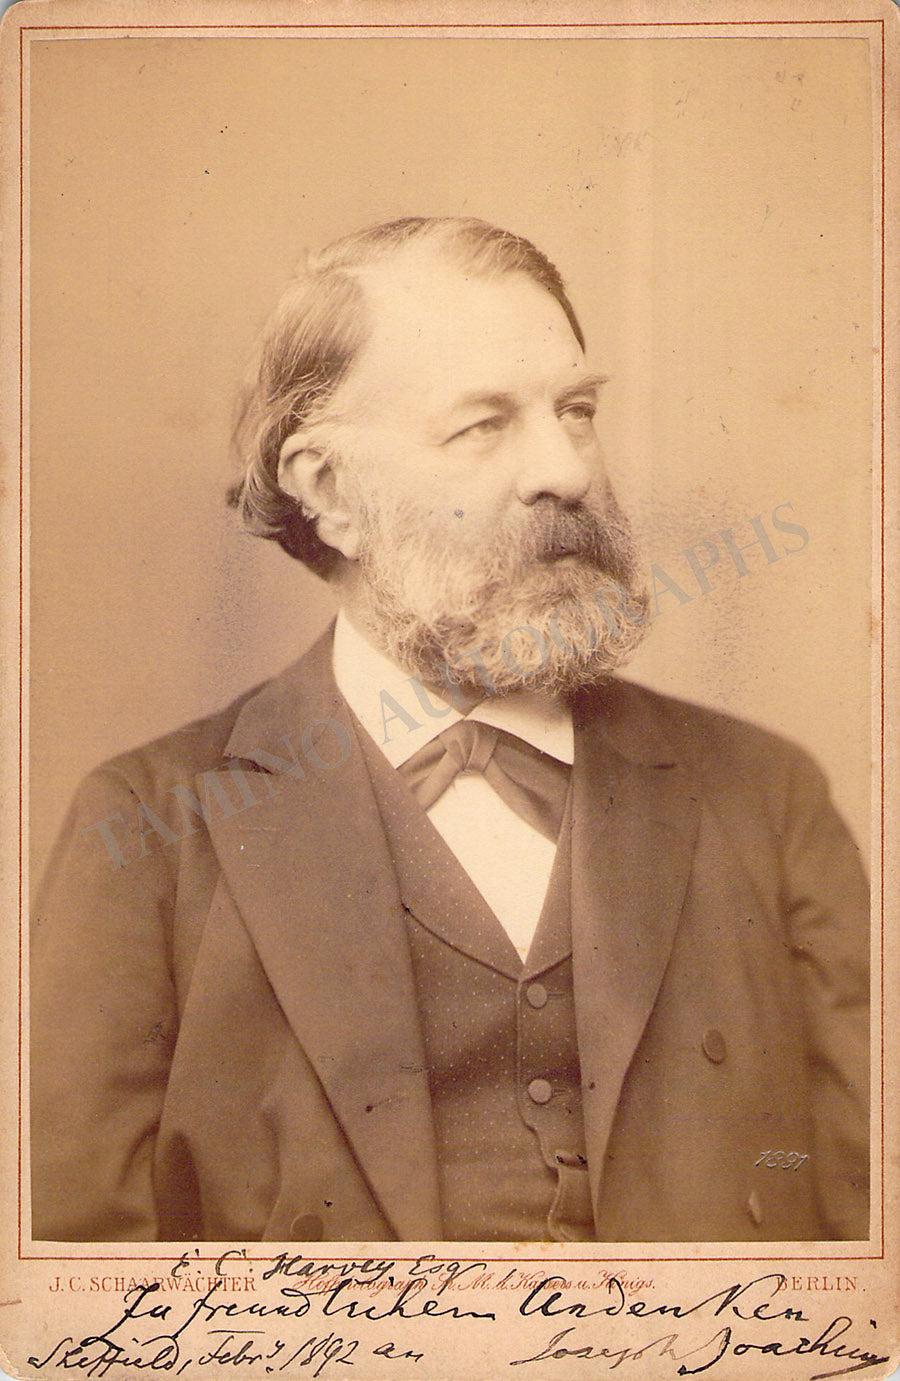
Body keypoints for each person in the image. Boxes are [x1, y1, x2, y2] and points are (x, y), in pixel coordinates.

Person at [31, 216, 869, 1244]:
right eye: (483, 425)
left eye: (576, 410)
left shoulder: (768, 798)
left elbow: (870, 1237)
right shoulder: (149, 832)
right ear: (330, 491)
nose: (565, 469)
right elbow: (76, 1284)